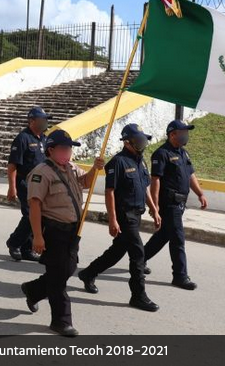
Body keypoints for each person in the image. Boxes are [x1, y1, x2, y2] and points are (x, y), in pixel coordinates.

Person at [19, 129, 104, 337]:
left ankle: (34, 290)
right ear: (51, 150)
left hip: (73, 231)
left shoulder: (71, 168)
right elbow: (35, 206)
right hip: (54, 230)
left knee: (68, 268)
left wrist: (95, 168)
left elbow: (86, 183)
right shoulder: (42, 172)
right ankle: (61, 321)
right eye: (64, 148)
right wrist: (37, 237)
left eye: (70, 149)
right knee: (58, 279)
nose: (68, 152)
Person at [77, 124, 162, 312]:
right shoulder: (118, 162)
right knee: (138, 254)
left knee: (117, 251)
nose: (142, 143)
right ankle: (138, 296)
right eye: (138, 140)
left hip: (137, 214)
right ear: (127, 142)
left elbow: (145, 187)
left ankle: (88, 273)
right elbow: (110, 192)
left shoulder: (141, 161)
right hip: (125, 216)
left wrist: (154, 209)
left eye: (143, 140)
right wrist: (112, 219)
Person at [144, 120, 207, 290]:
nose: (186, 135)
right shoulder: (161, 154)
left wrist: (200, 193)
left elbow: (190, 175)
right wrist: (154, 206)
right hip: (169, 203)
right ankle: (180, 276)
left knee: (163, 235)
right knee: (177, 239)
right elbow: (155, 180)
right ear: (172, 134)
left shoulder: (183, 153)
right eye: (183, 131)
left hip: (180, 203)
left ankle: (139, 259)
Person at [5, 106, 50, 261]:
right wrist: (12, 188)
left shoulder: (44, 138)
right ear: (32, 121)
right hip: (25, 183)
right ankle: (14, 242)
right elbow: (12, 166)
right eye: (42, 120)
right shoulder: (22, 138)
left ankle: (26, 248)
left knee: (38, 216)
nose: (45, 122)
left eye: (45, 120)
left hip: (41, 184)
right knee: (31, 215)